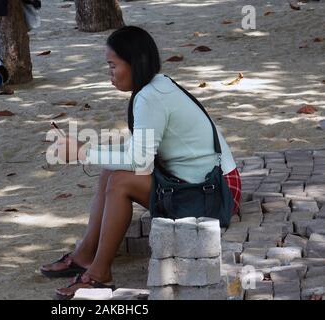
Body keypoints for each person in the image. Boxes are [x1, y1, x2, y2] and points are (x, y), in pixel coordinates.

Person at [40, 26, 241, 299]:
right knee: (111, 173)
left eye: (113, 65)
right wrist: (85, 149)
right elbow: (140, 151)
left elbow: (139, 160)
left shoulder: (150, 97)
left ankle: (99, 275)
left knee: (121, 182)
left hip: (216, 193)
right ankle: (86, 255)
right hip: (203, 183)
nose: (109, 73)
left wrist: (82, 152)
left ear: (134, 63)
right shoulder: (157, 85)